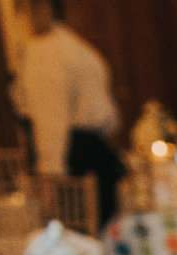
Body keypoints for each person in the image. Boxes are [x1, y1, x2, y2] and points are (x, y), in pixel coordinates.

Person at [17, 0, 124, 228]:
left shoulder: (44, 52)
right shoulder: (80, 48)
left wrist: (49, 181)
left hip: (72, 162)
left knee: (73, 246)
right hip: (98, 157)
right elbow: (110, 120)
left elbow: (51, 120)